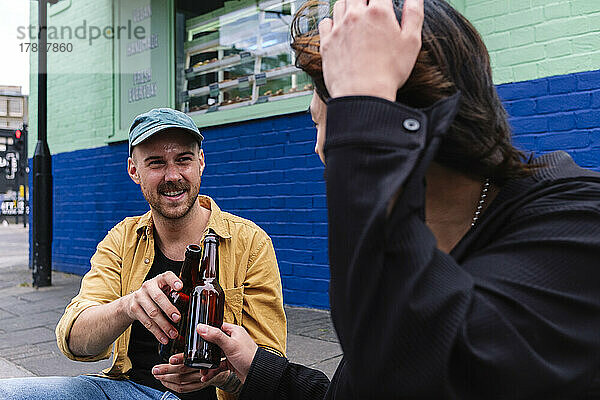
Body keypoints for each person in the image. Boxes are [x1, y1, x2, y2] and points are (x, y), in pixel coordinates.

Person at [184, 0, 600, 398]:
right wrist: (260, 374)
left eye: (326, 122)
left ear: (392, 115)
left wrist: (360, 112)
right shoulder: (412, 235)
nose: (320, 148)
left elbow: (410, 369)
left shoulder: (576, 220)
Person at [0, 108, 287, 400]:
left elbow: (270, 372)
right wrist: (128, 306)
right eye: (156, 163)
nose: (172, 176)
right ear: (134, 171)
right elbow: (73, 340)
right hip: (126, 390)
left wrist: (221, 375)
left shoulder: (250, 243)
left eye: (184, 160)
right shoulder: (122, 239)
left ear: (201, 162)